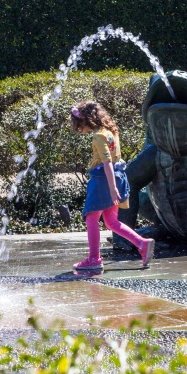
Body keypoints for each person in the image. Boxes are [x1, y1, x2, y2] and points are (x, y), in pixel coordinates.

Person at [70, 100, 155, 271]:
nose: (79, 129)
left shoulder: (99, 136)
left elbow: (107, 162)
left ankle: (94, 258)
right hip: (116, 176)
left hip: (103, 180)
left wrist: (112, 188)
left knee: (92, 217)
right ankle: (142, 243)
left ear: (85, 120)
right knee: (111, 221)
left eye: (79, 124)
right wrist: (115, 185)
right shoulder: (110, 131)